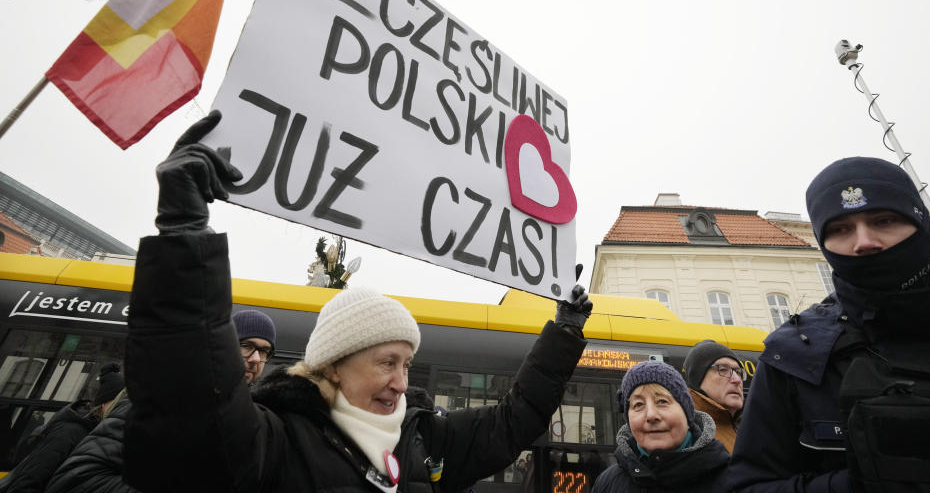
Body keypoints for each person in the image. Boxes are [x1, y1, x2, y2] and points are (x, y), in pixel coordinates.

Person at [120, 111, 593, 492]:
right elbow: (192, 400)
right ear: (332, 365)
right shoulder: (276, 439)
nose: (402, 383)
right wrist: (184, 233)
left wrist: (565, 330)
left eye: (407, 364)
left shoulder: (425, 437)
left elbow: (515, 420)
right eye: (387, 362)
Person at [728, 156, 930, 492]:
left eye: (883, 220)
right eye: (840, 229)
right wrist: (861, 483)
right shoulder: (794, 355)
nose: (863, 241)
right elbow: (748, 485)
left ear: (920, 224)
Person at [44, 309, 277, 493]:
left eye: (265, 351)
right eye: (246, 346)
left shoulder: (245, 413)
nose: (256, 359)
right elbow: (75, 480)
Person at [592, 361, 730, 492]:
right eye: (638, 404)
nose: (651, 415)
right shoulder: (608, 483)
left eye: (662, 401)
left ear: (687, 414)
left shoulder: (731, 480)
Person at [0, 363, 124, 493]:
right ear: (104, 403)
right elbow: (30, 478)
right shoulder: (71, 431)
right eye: (118, 402)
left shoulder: (95, 432)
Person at [681, 339, 745, 451]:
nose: (737, 380)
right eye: (723, 369)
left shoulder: (750, 427)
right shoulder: (685, 434)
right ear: (698, 380)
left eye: (739, 372)